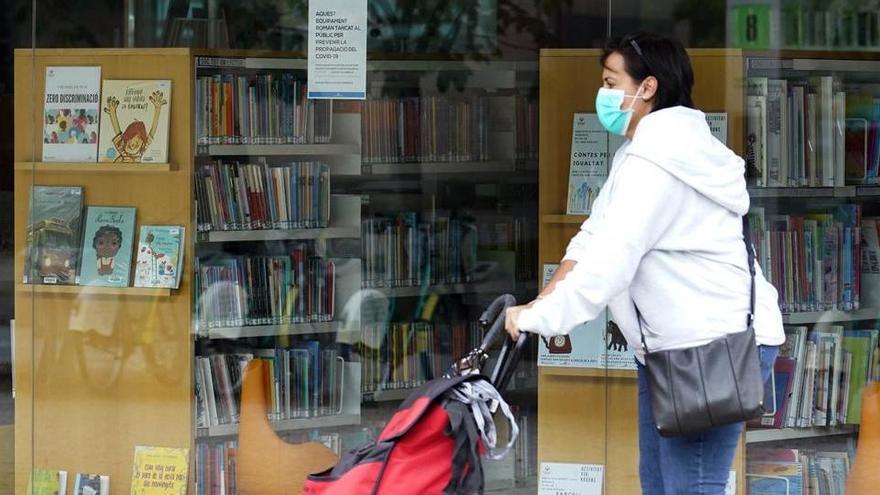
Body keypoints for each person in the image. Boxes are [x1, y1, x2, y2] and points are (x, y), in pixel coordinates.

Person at [504, 32, 785, 495]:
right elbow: (591, 239)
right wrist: (543, 298)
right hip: (670, 350)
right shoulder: (642, 154)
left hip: (709, 350)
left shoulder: (658, 163)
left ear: (647, 87)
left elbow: (611, 261)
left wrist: (540, 318)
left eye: (611, 82)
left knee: (690, 486)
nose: (604, 94)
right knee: (658, 482)